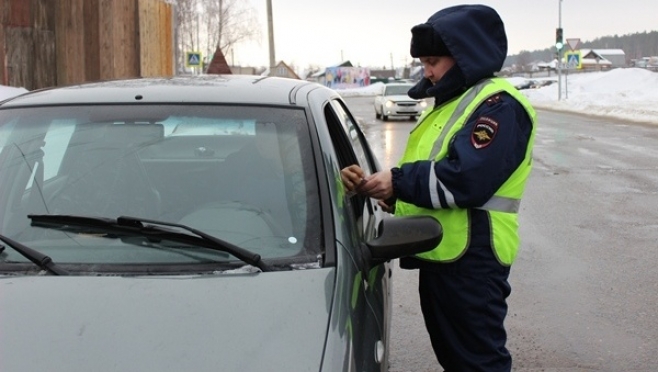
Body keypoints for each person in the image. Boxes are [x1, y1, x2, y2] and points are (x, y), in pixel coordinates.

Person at [341, 4, 537, 371]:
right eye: (423, 62)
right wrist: (384, 192)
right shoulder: (452, 103)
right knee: (458, 359)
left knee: (479, 362)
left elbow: (466, 179)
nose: (427, 72)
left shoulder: (498, 106)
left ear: (466, 55)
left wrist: (397, 182)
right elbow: (431, 183)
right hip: (444, 255)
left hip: (472, 260)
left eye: (433, 60)